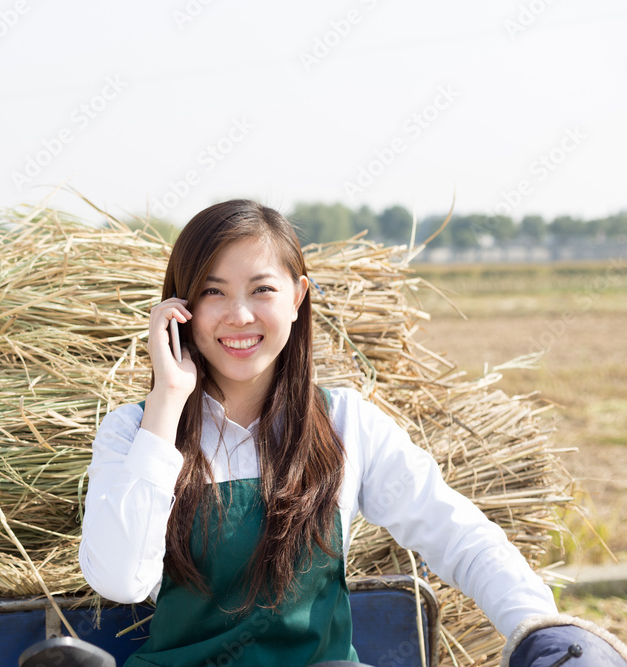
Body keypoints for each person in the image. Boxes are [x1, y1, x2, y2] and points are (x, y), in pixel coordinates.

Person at [78, 199, 627, 667]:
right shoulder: (134, 433)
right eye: (213, 293)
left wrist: (539, 626)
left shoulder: (343, 423)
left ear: (297, 298)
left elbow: (455, 531)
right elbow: (121, 581)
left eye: (262, 289)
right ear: (181, 309)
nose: (239, 315)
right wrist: (167, 403)